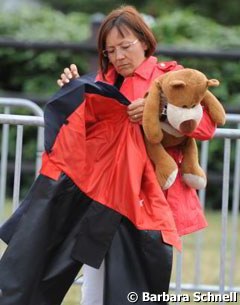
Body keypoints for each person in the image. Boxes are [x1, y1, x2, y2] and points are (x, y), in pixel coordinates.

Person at [0, 5, 215, 305]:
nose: (119, 56)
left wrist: (162, 112)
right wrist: (72, 90)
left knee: (135, 285)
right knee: (94, 282)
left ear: (144, 40)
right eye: (111, 50)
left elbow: (205, 127)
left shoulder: (172, 77)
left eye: (125, 46)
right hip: (103, 199)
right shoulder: (103, 81)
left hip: (148, 202)